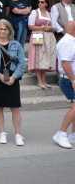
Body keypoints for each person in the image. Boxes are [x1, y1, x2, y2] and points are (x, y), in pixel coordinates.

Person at [0, 19, 26, 146]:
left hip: (12, 78)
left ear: (9, 31)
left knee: (15, 107)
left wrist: (14, 77)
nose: (2, 31)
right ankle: (2, 133)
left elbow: (22, 63)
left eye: (5, 29)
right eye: (0, 29)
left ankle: (18, 134)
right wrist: (0, 76)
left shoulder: (16, 45)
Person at [52, 21, 75, 149]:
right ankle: (61, 133)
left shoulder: (71, 41)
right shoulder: (67, 42)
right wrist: (73, 80)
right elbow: (65, 63)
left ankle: (72, 135)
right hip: (68, 79)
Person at [27, 0, 56, 89]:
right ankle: (39, 81)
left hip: (48, 37)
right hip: (37, 35)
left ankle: (44, 81)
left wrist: (50, 28)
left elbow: (53, 26)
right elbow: (30, 26)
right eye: (39, 2)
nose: (40, 3)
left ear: (46, 4)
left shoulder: (49, 13)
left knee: (45, 58)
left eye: (42, 2)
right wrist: (42, 28)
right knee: (38, 58)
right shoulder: (34, 12)